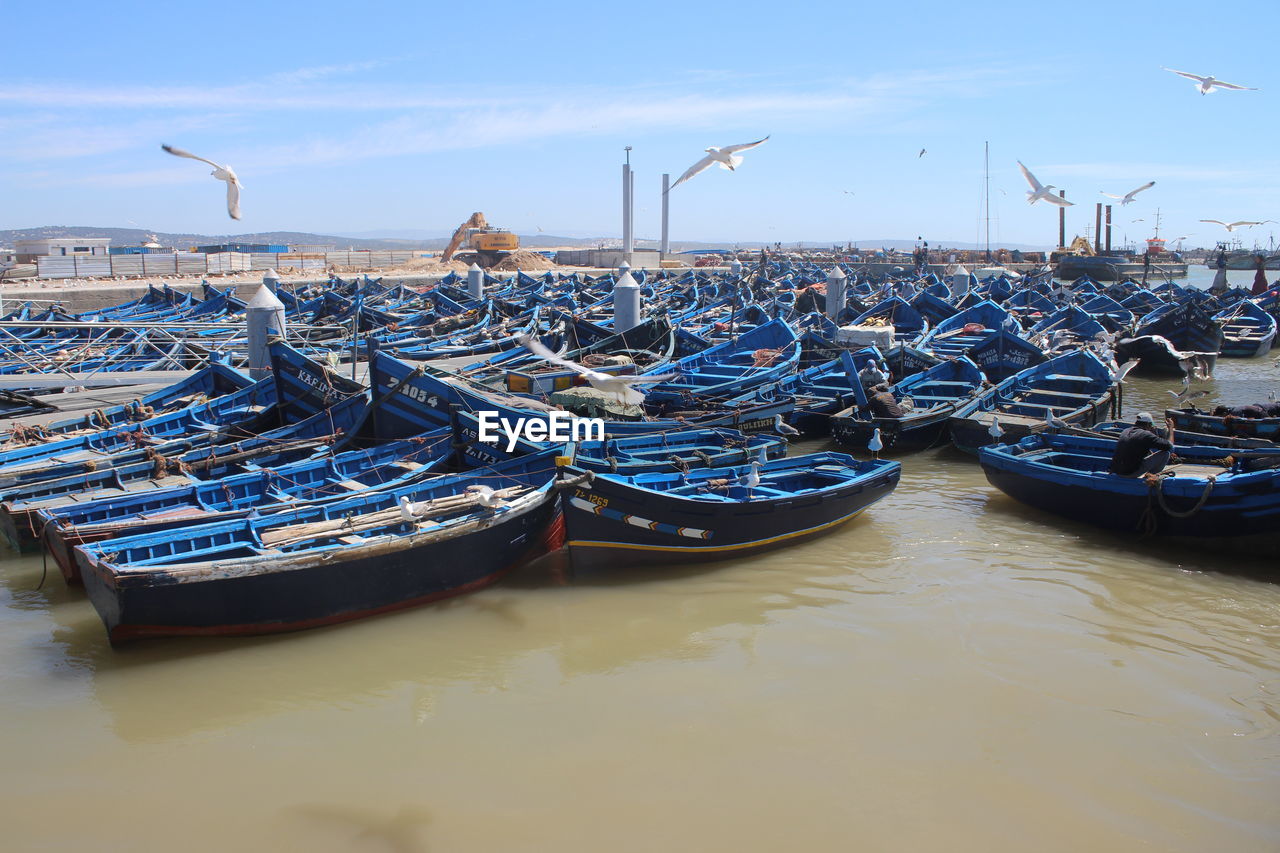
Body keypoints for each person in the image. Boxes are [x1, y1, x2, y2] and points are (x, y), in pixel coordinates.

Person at [1108, 412, 1174, 476]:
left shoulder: (1125, 431)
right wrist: (1171, 428)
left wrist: (1152, 434)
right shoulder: (1146, 435)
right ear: (1148, 425)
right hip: (1130, 473)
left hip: (1116, 471)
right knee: (1165, 454)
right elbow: (1170, 446)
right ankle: (1151, 476)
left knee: (1144, 450)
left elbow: (1143, 443)